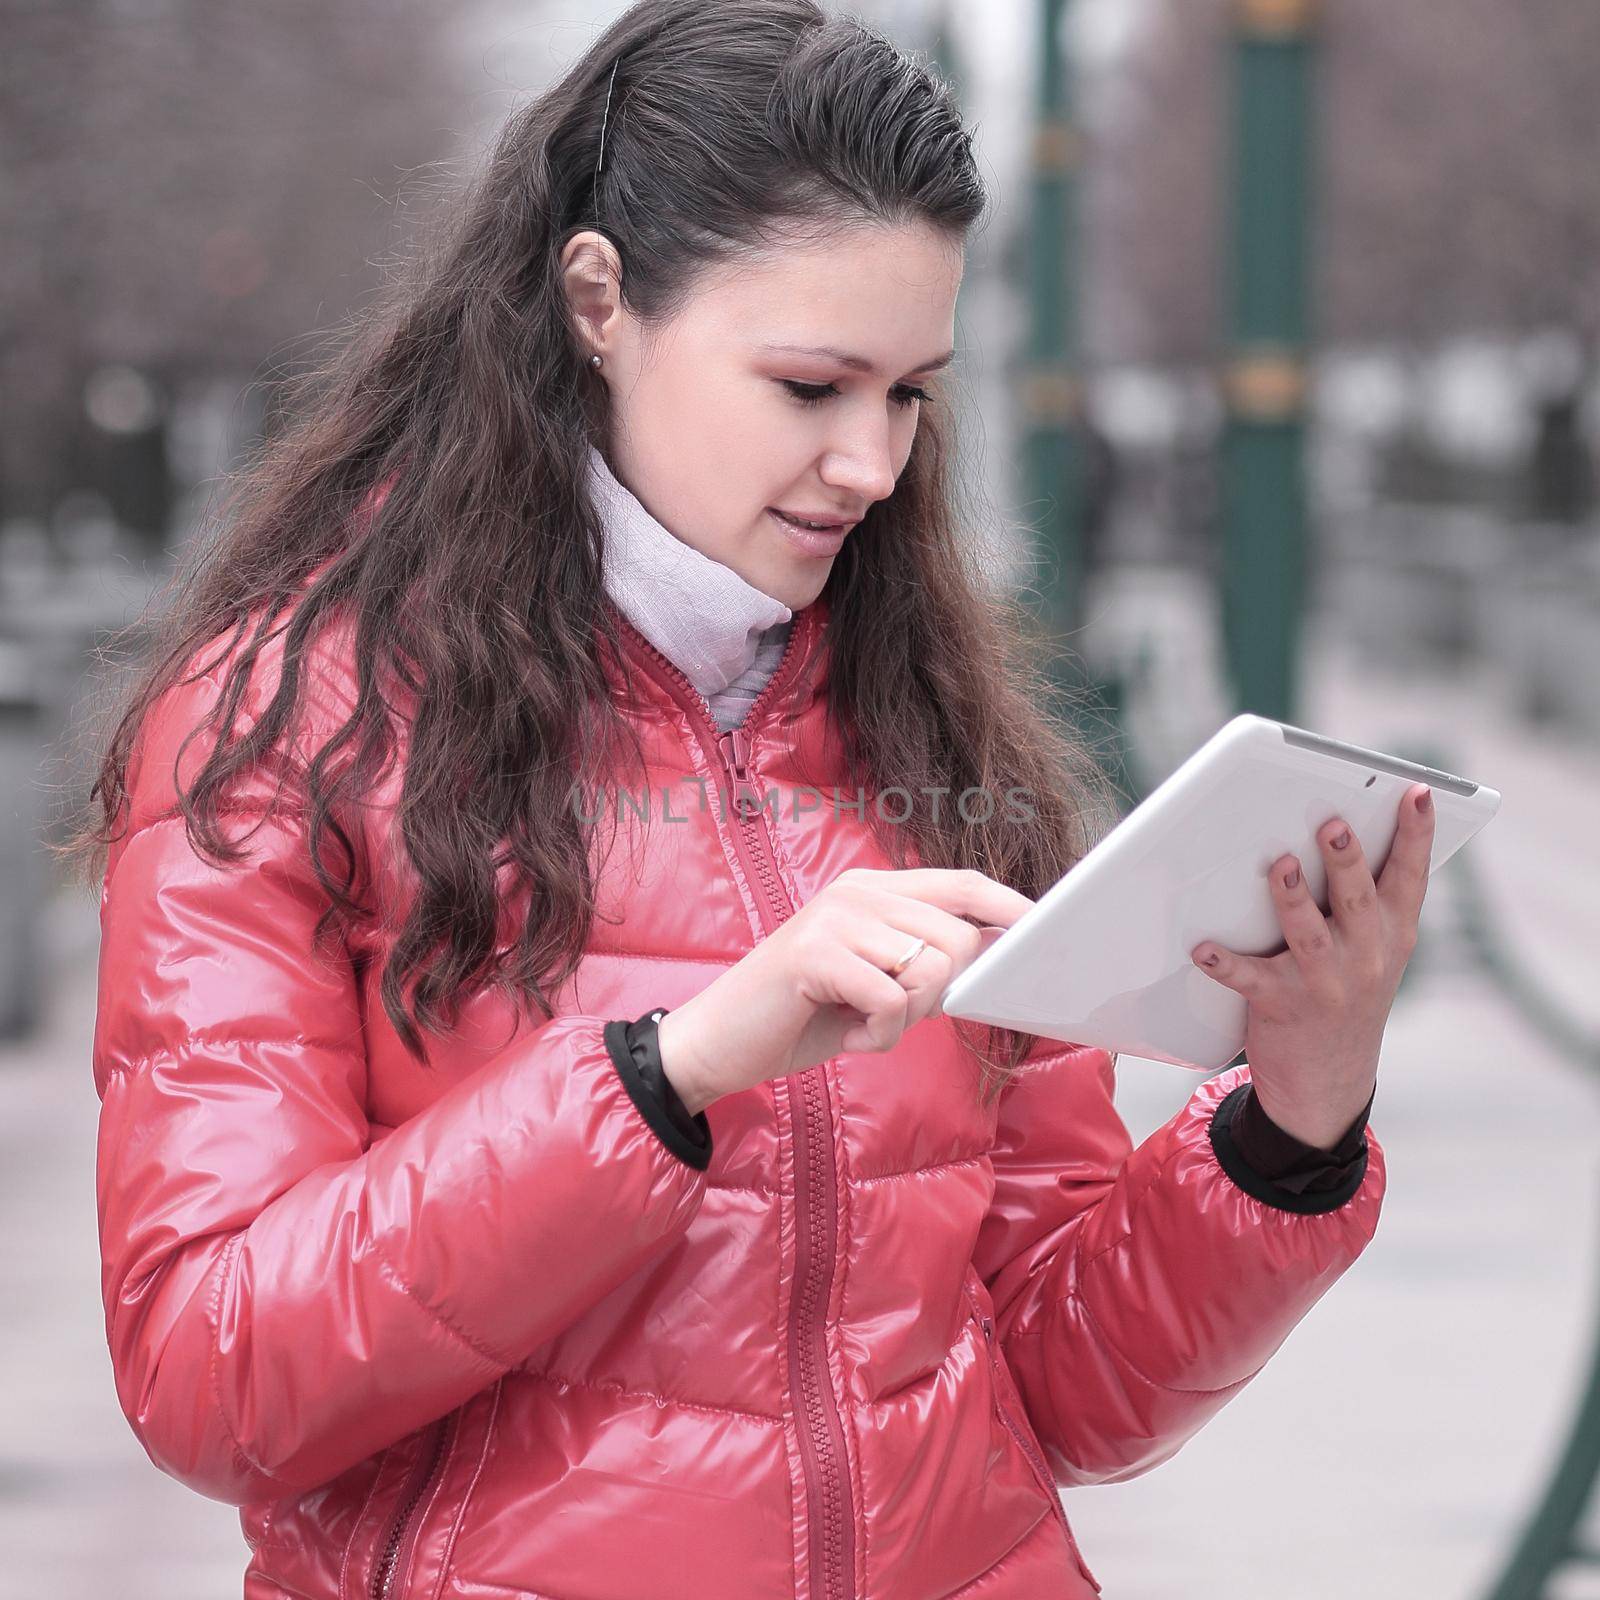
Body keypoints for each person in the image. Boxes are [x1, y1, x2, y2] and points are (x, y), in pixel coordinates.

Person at [69, 2, 1434, 1595]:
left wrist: (1291, 1128)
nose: (869, 461)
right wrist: (672, 1071)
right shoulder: (293, 721)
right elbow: (210, 1370)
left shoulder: (931, 725)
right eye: (809, 386)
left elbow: (1066, 1395)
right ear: (599, 301)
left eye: (912, 393)